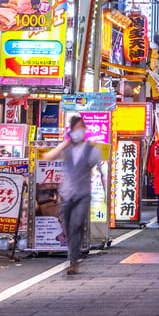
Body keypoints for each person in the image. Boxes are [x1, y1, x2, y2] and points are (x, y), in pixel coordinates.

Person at [42, 115, 105, 275]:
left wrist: (106, 193)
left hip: (83, 195)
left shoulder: (92, 150)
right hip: (67, 195)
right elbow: (47, 157)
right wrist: (65, 143)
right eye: (75, 128)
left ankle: (73, 261)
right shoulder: (67, 149)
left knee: (76, 225)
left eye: (81, 128)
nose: (79, 131)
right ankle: (73, 259)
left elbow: (102, 172)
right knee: (69, 228)